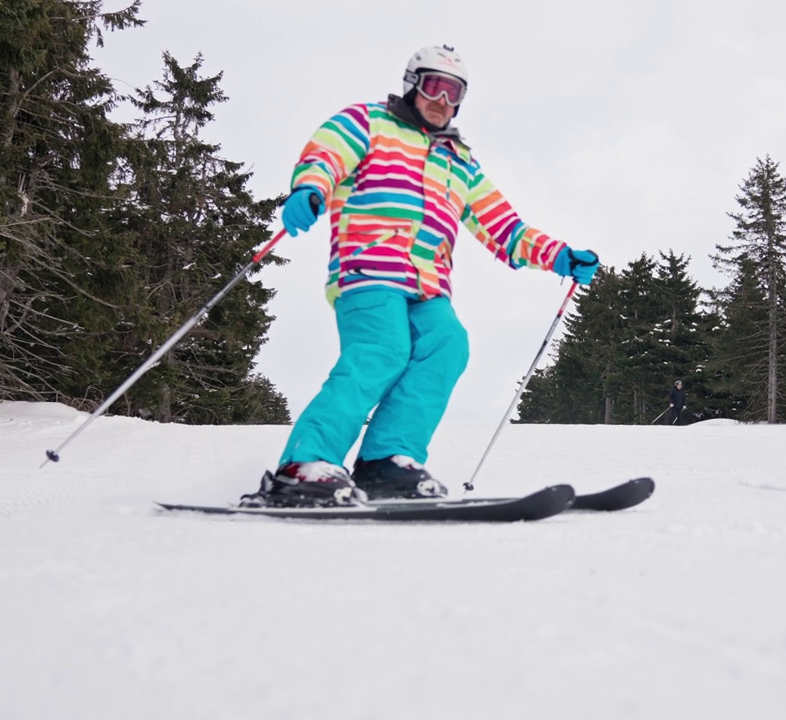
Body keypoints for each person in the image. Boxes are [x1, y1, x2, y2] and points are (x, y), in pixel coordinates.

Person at [243, 45, 600, 508]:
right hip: (369, 271)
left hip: (428, 285)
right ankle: (304, 464)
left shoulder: (460, 161)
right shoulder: (369, 122)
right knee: (382, 350)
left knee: (448, 344)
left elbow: (504, 228)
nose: (443, 100)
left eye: (455, 93)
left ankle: (386, 462)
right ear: (414, 82)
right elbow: (326, 153)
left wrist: (560, 257)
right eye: (435, 86)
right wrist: (311, 188)